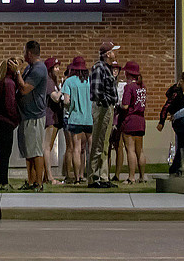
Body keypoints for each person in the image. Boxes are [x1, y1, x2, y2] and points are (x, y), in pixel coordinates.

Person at [10, 41, 47, 191]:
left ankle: (39, 182)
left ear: (30, 53)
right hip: (26, 115)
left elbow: (25, 89)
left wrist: (17, 72)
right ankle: (31, 182)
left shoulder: (39, 69)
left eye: (25, 52)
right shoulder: (31, 68)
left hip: (35, 115)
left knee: (36, 151)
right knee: (28, 151)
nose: (24, 54)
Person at [88, 41, 120, 188]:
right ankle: (94, 177)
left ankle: (103, 176)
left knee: (105, 144)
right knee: (98, 143)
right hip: (102, 108)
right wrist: (107, 102)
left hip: (108, 108)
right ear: (108, 54)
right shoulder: (99, 68)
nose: (115, 54)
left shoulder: (106, 68)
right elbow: (96, 92)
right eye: (113, 51)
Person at [0, 57, 22, 190]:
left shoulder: (1, 80)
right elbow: (10, 105)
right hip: (6, 121)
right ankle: (3, 183)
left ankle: (2, 182)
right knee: (4, 153)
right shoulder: (9, 83)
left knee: (2, 153)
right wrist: (16, 119)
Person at [61, 57, 93, 184]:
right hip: (89, 118)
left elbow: (66, 101)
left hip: (75, 118)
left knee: (76, 149)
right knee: (90, 148)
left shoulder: (69, 82)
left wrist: (70, 105)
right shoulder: (90, 81)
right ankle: (91, 175)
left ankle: (77, 178)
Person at [159, 71, 184, 176]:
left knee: (182, 144)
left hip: (180, 120)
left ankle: (176, 167)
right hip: (181, 121)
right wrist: (161, 121)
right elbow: (166, 107)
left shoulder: (178, 91)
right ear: (181, 81)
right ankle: (181, 160)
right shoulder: (176, 93)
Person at [120, 62, 147, 184]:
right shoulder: (142, 86)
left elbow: (125, 105)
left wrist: (118, 105)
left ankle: (131, 177)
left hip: (130, 120)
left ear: (128, 73)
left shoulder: (129, 87)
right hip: (141, 120)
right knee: (139, 150)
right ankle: (142, 176)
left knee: (130, 150)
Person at [42, 57, 65, 185]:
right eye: (55, 67)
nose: (58, 70)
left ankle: (46, 176)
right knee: (46, 147)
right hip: (49, 116)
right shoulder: (48, 81)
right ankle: (50, 177)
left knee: (49, 147)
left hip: (55, 117)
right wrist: (63, 89)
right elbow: (55, 97)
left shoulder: (53, 81)